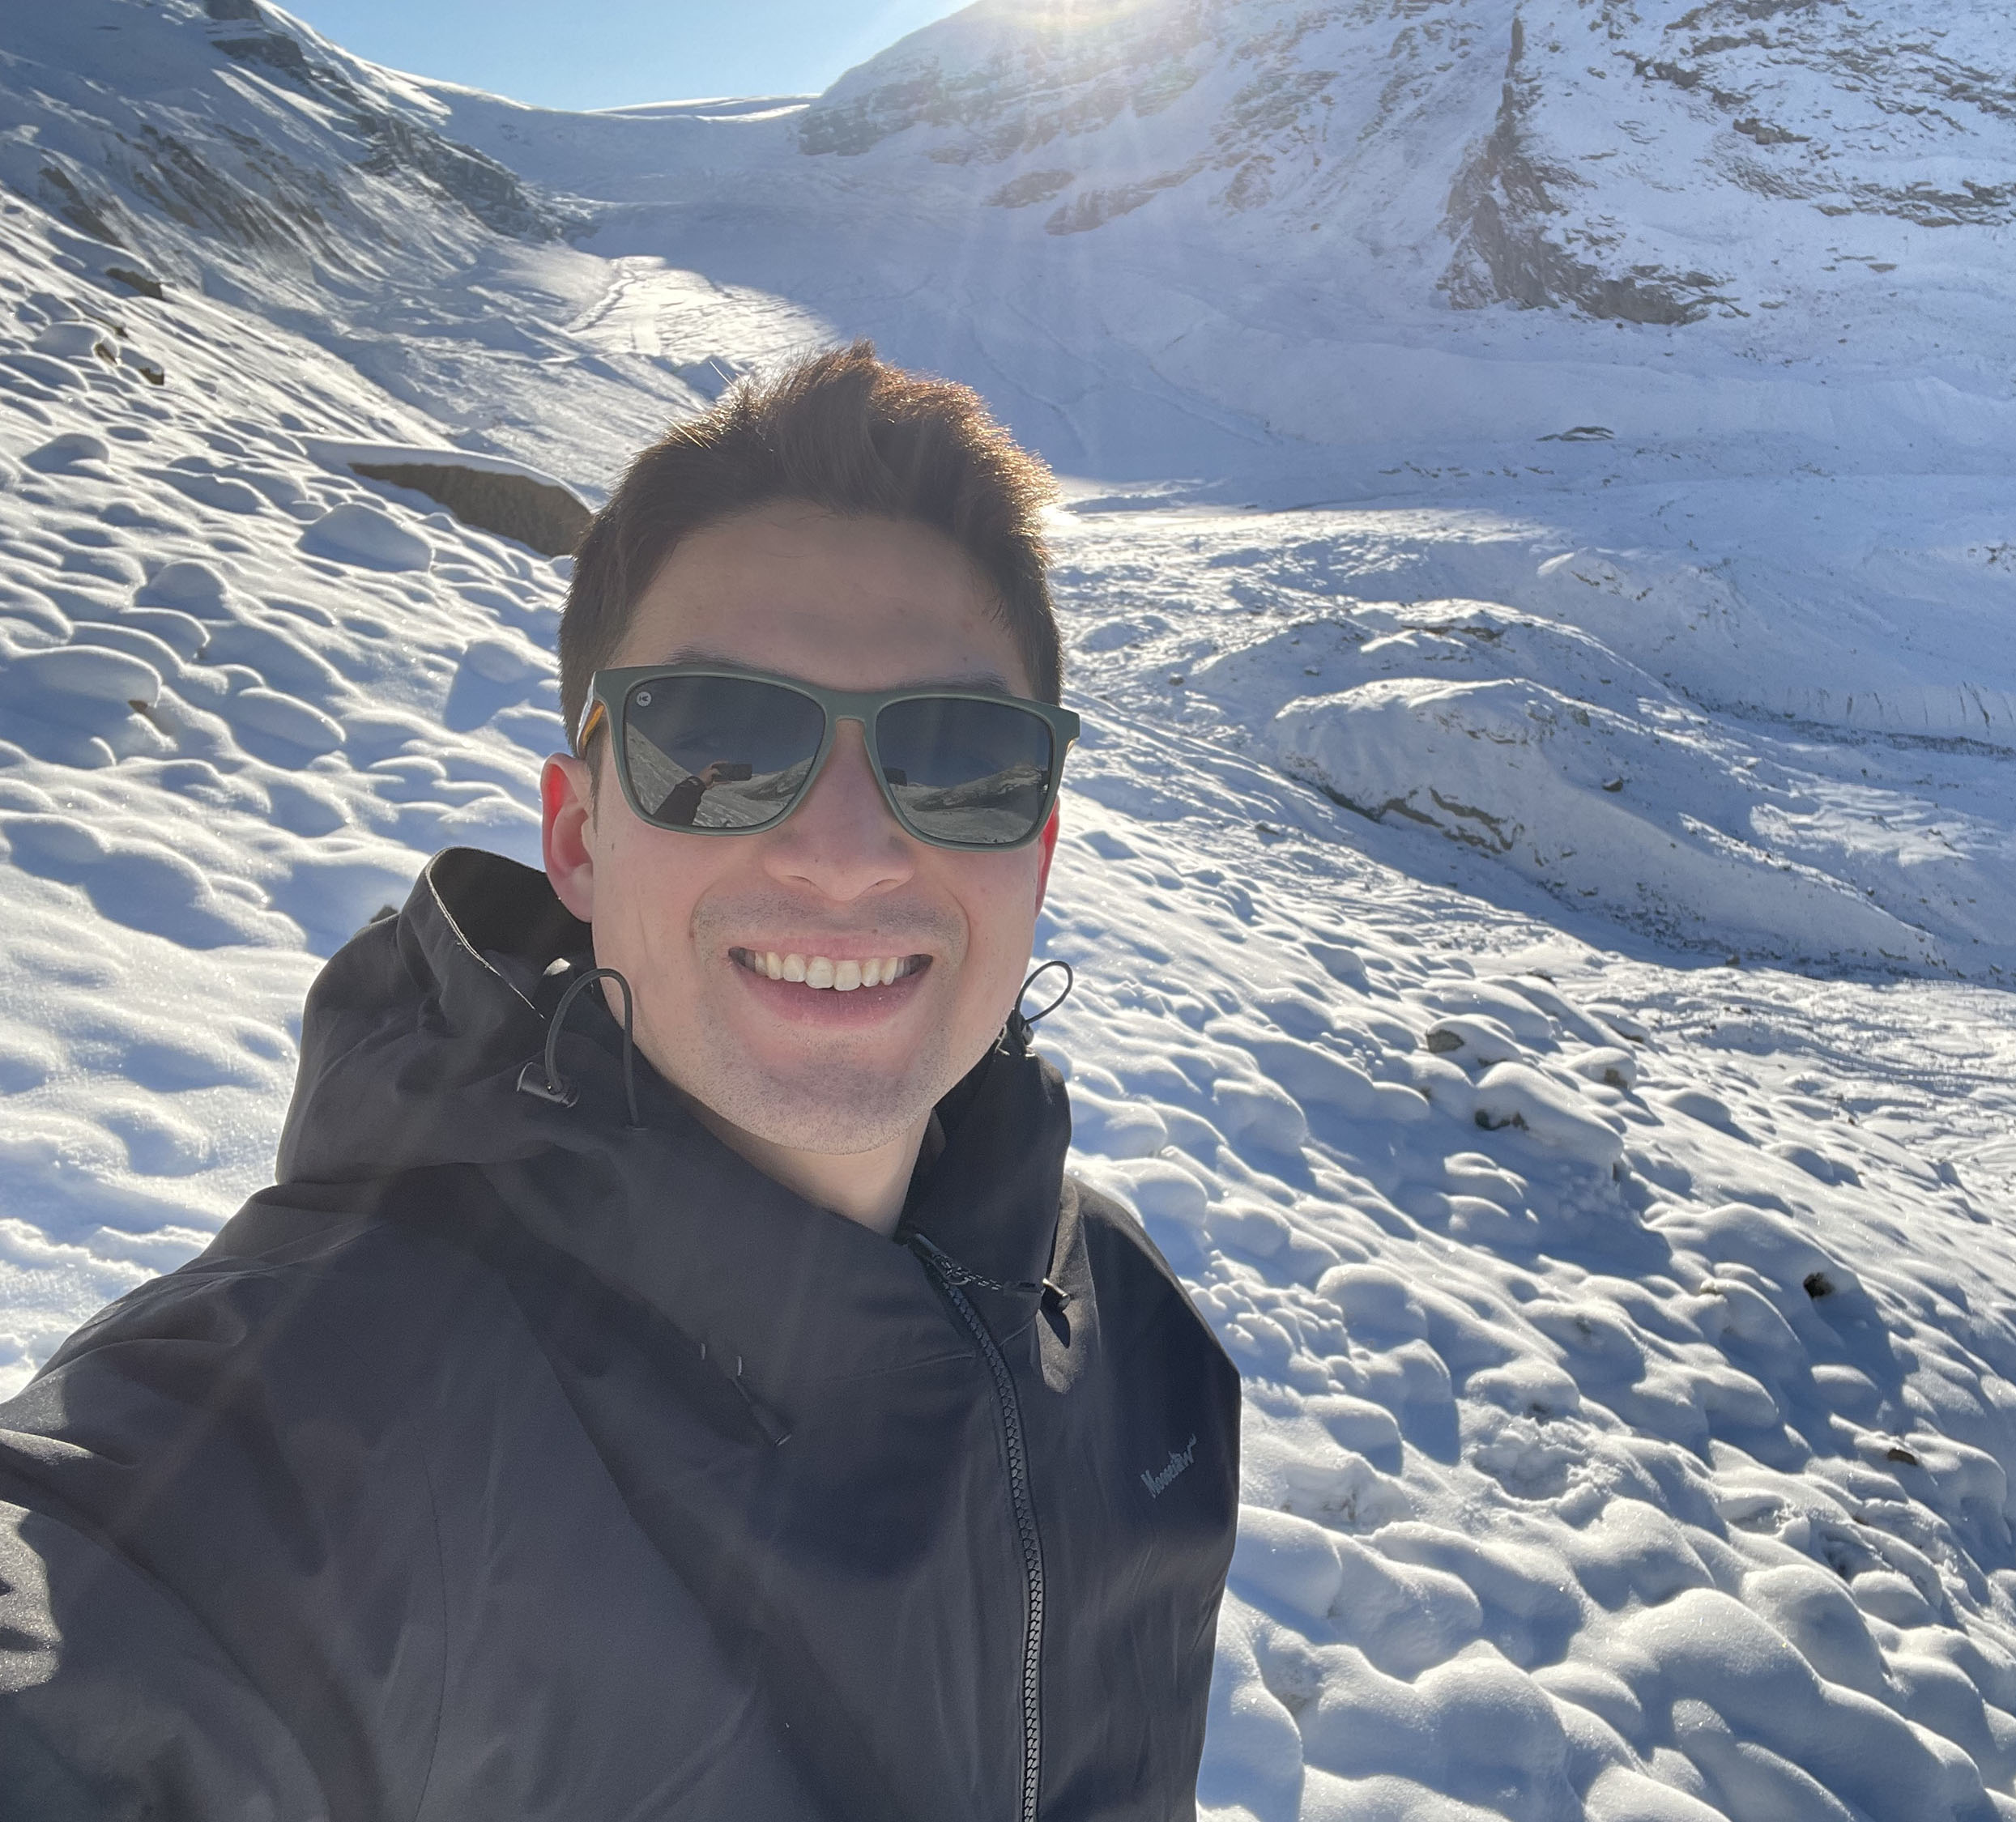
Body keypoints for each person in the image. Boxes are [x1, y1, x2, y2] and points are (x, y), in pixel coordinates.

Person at [0, 343, 1241, 1820]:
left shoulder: (1136, 1343)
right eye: (717, 741)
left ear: (1034, 852)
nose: (844, 851)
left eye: (960, 758)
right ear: (579, 838)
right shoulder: (317, 1425)